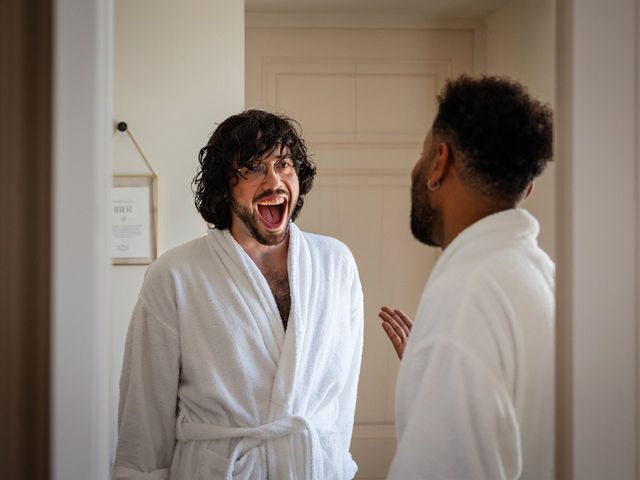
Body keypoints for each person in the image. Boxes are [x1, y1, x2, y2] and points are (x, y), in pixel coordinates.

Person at [113, 110, 364, 479]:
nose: (275, 181)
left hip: (313, 467)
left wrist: (336, 463)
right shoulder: (174, 275)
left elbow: (343, 395)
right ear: (224, 186)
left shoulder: (335, 263)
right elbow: (145, 411)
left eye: (284, 165)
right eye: (254, 168)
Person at [379, 76, 554, 479]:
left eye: (423, 154)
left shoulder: (464, 301)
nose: (417, 168)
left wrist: (443, 361)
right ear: (527, 190)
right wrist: (437, 381)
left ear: (439, 162)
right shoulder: (545, 280)